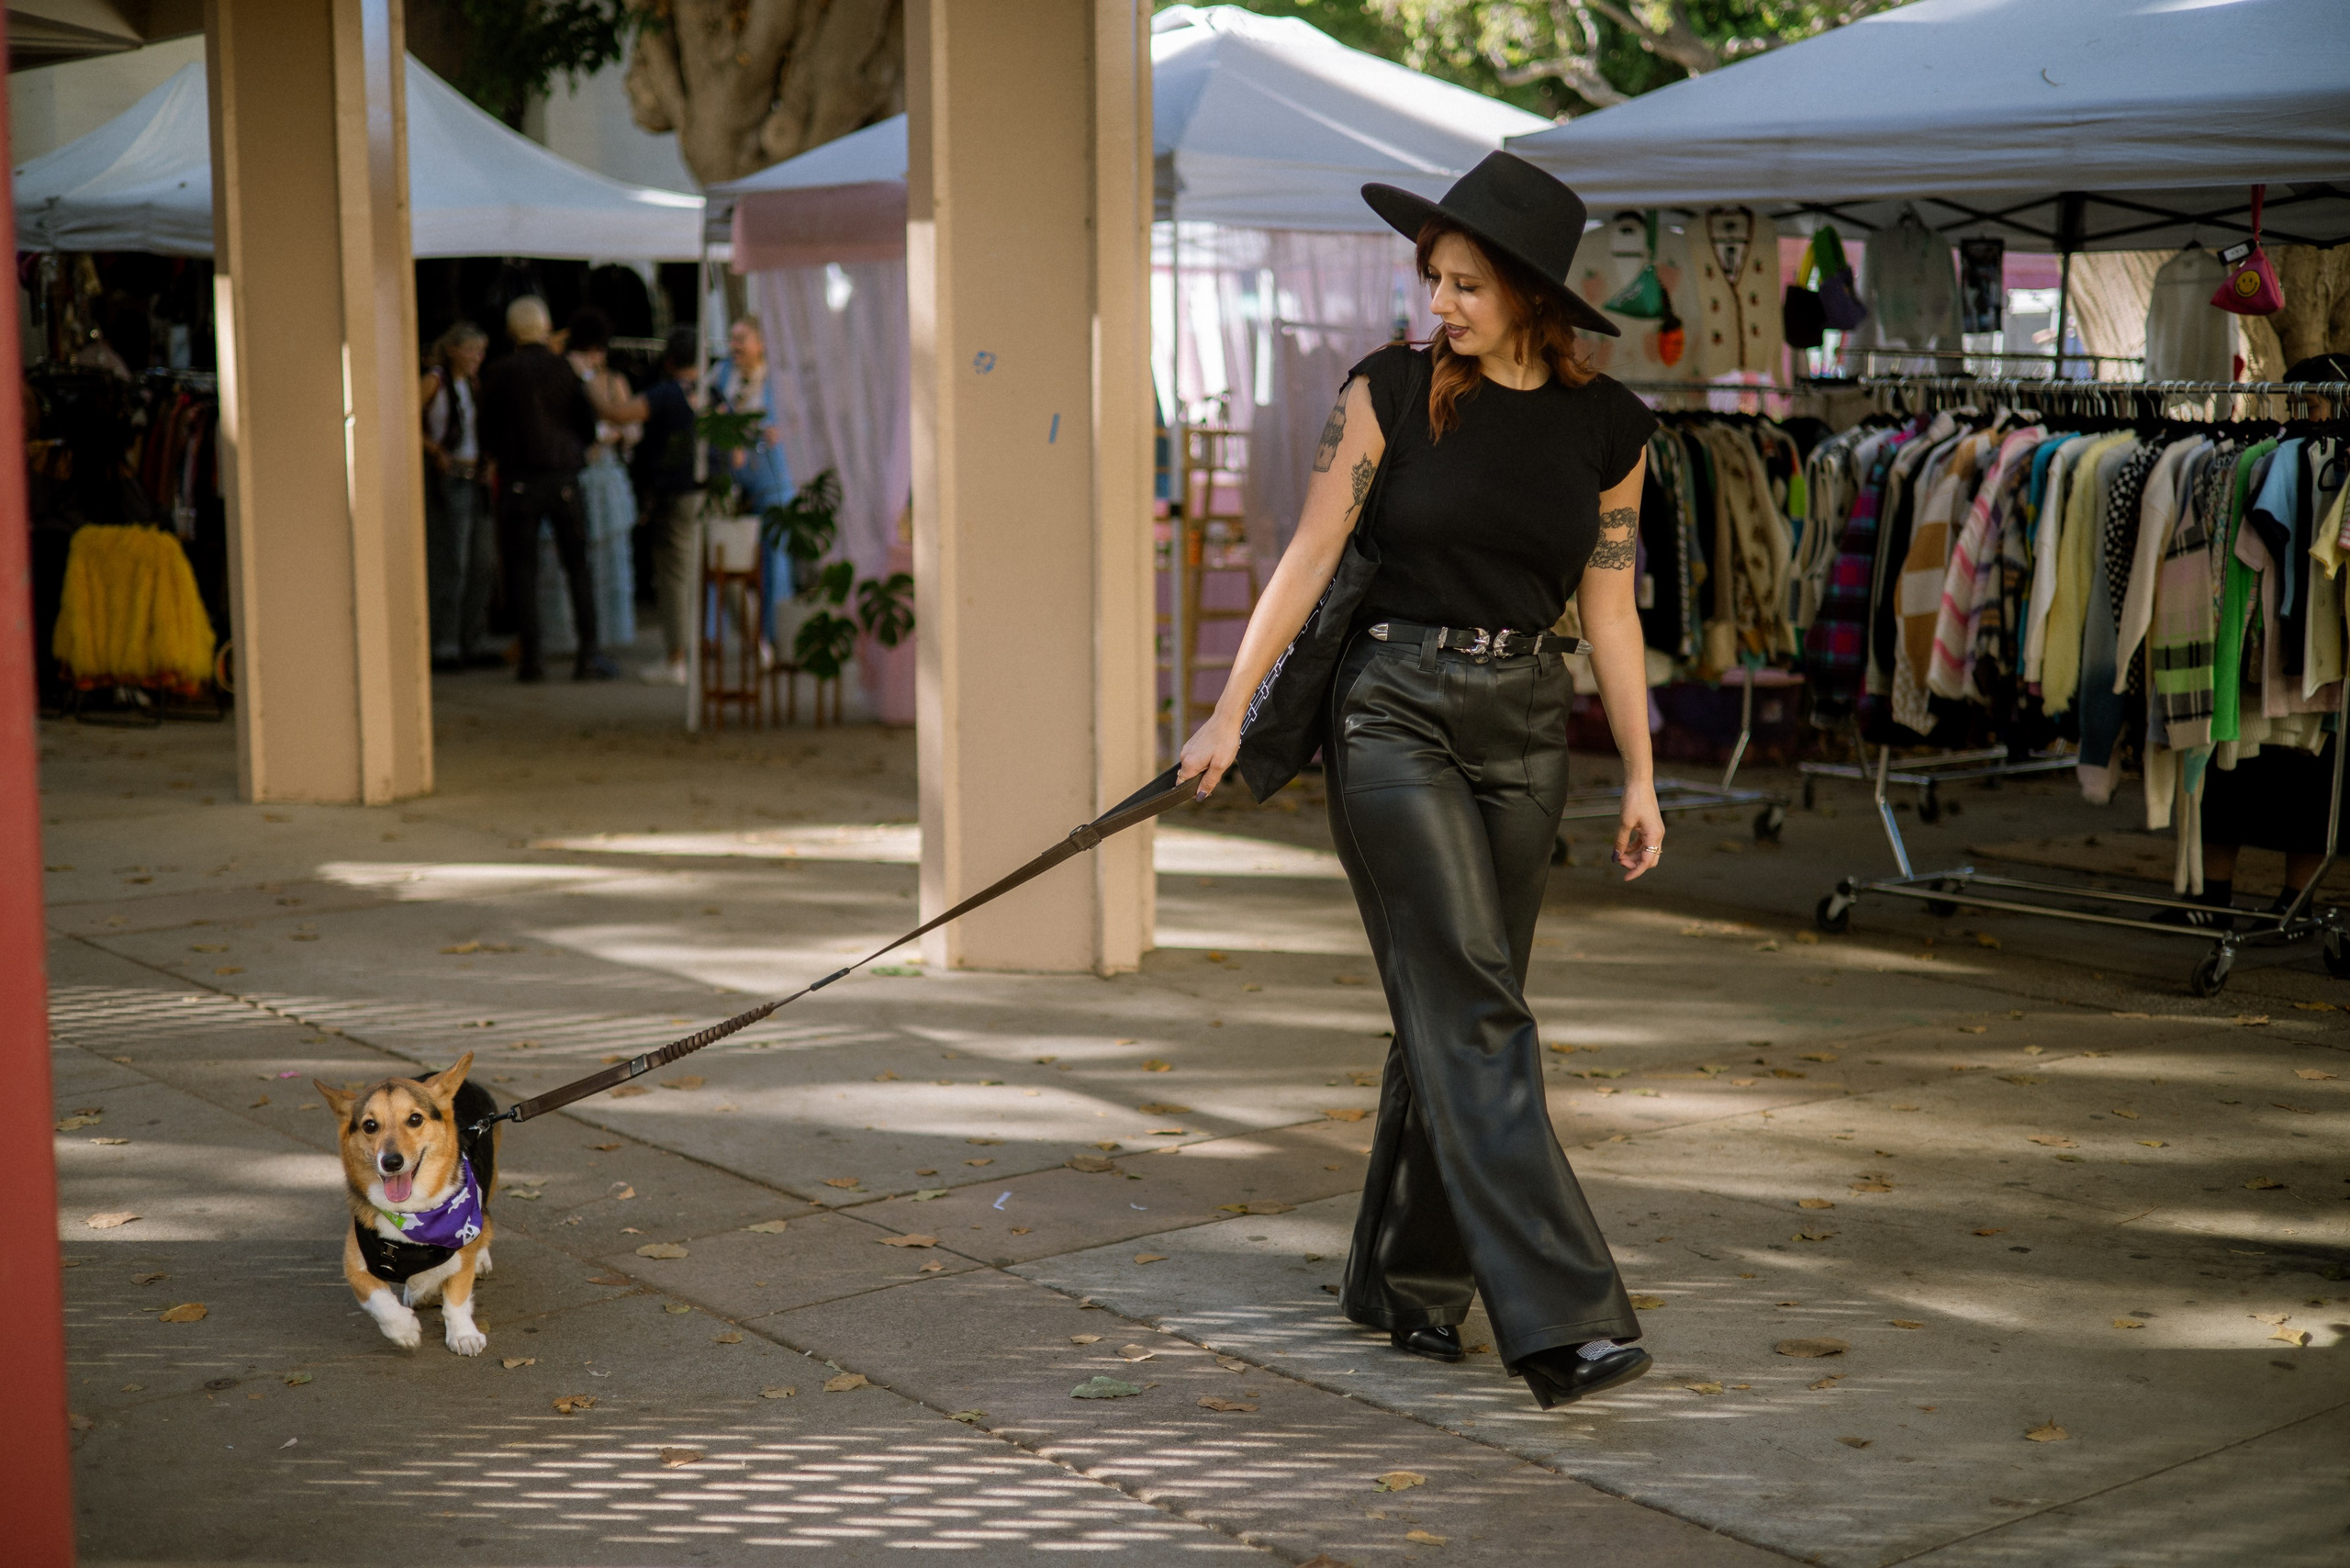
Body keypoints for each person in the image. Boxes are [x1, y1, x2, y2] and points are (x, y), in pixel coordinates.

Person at [1178, 153, 1665, 1411]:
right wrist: (1229, 711)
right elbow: (1306, 555)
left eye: (1467, 284)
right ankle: (1562, 1318)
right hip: (1391, 711)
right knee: (1475, 1007)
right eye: (1434, 279)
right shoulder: (1386, 391)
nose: (1441, 303)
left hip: (1527, 724)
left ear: (1531, 295)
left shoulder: (1612, 430)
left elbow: (1610, 615)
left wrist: (1645, 780)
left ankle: (1400, 1282)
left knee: (1460, 1004)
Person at [2188, 352, 2350, 927]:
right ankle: (2217, 898)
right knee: (2249, 773)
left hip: (2314, 653)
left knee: (2308, 783)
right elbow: (2251, 551)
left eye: (2315, 401)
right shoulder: (2272, 462)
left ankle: (2291, 901)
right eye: (2299, 402)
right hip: (2278, 649)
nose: (2305, 413)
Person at [477, 296, 613, 682]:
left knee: (522, 571)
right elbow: (586, 424)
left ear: (511, 331)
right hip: (563, 476)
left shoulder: (499, 373)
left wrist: (502, 453)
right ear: (546, 327)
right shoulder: (564, 371)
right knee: (578, 567)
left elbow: (486, 431)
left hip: (519, 479)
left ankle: (532, 658)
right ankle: (588, 654)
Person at [614, 326, 703, 685]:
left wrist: (590, 384)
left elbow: (619, 414)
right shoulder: (711, 392)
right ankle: (757, 644)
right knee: (723, 569)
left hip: (676, 494)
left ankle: (676, 656)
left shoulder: (666, 394)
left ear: (668, 360)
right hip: (710, 492)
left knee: (673, 577)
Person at [708, 315, 797, 650]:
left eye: (742, 338)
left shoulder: (779, 380)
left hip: (772, 475)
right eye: (732, 338)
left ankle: (772, 636)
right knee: (721, 555)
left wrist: (782, 430)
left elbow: (801, 418)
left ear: (761, 343)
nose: (735, 346)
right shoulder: (721, 375)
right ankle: (713, 637)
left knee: (775, 556)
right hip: (732, 476)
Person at [563, 308, 641, 654]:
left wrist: (612, 436)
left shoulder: (613, 382)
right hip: (581, 473)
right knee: (579, 556)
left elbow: (632, 429)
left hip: (605, 473)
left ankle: (609, 631)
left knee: (609, 556)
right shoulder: (566, 378)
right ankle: (575, 633)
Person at [420, 321, 496, 671]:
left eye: (480, 351)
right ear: (453, 349)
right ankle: (444, 644)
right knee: (452, 562)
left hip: (473, 476)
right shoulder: (435, 380)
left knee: (481, 562)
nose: (476, 358)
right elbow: (408, 418)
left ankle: (472, 639)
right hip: (449, 478)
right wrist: (434, 449)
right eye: (471, 350)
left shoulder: (474, 385)